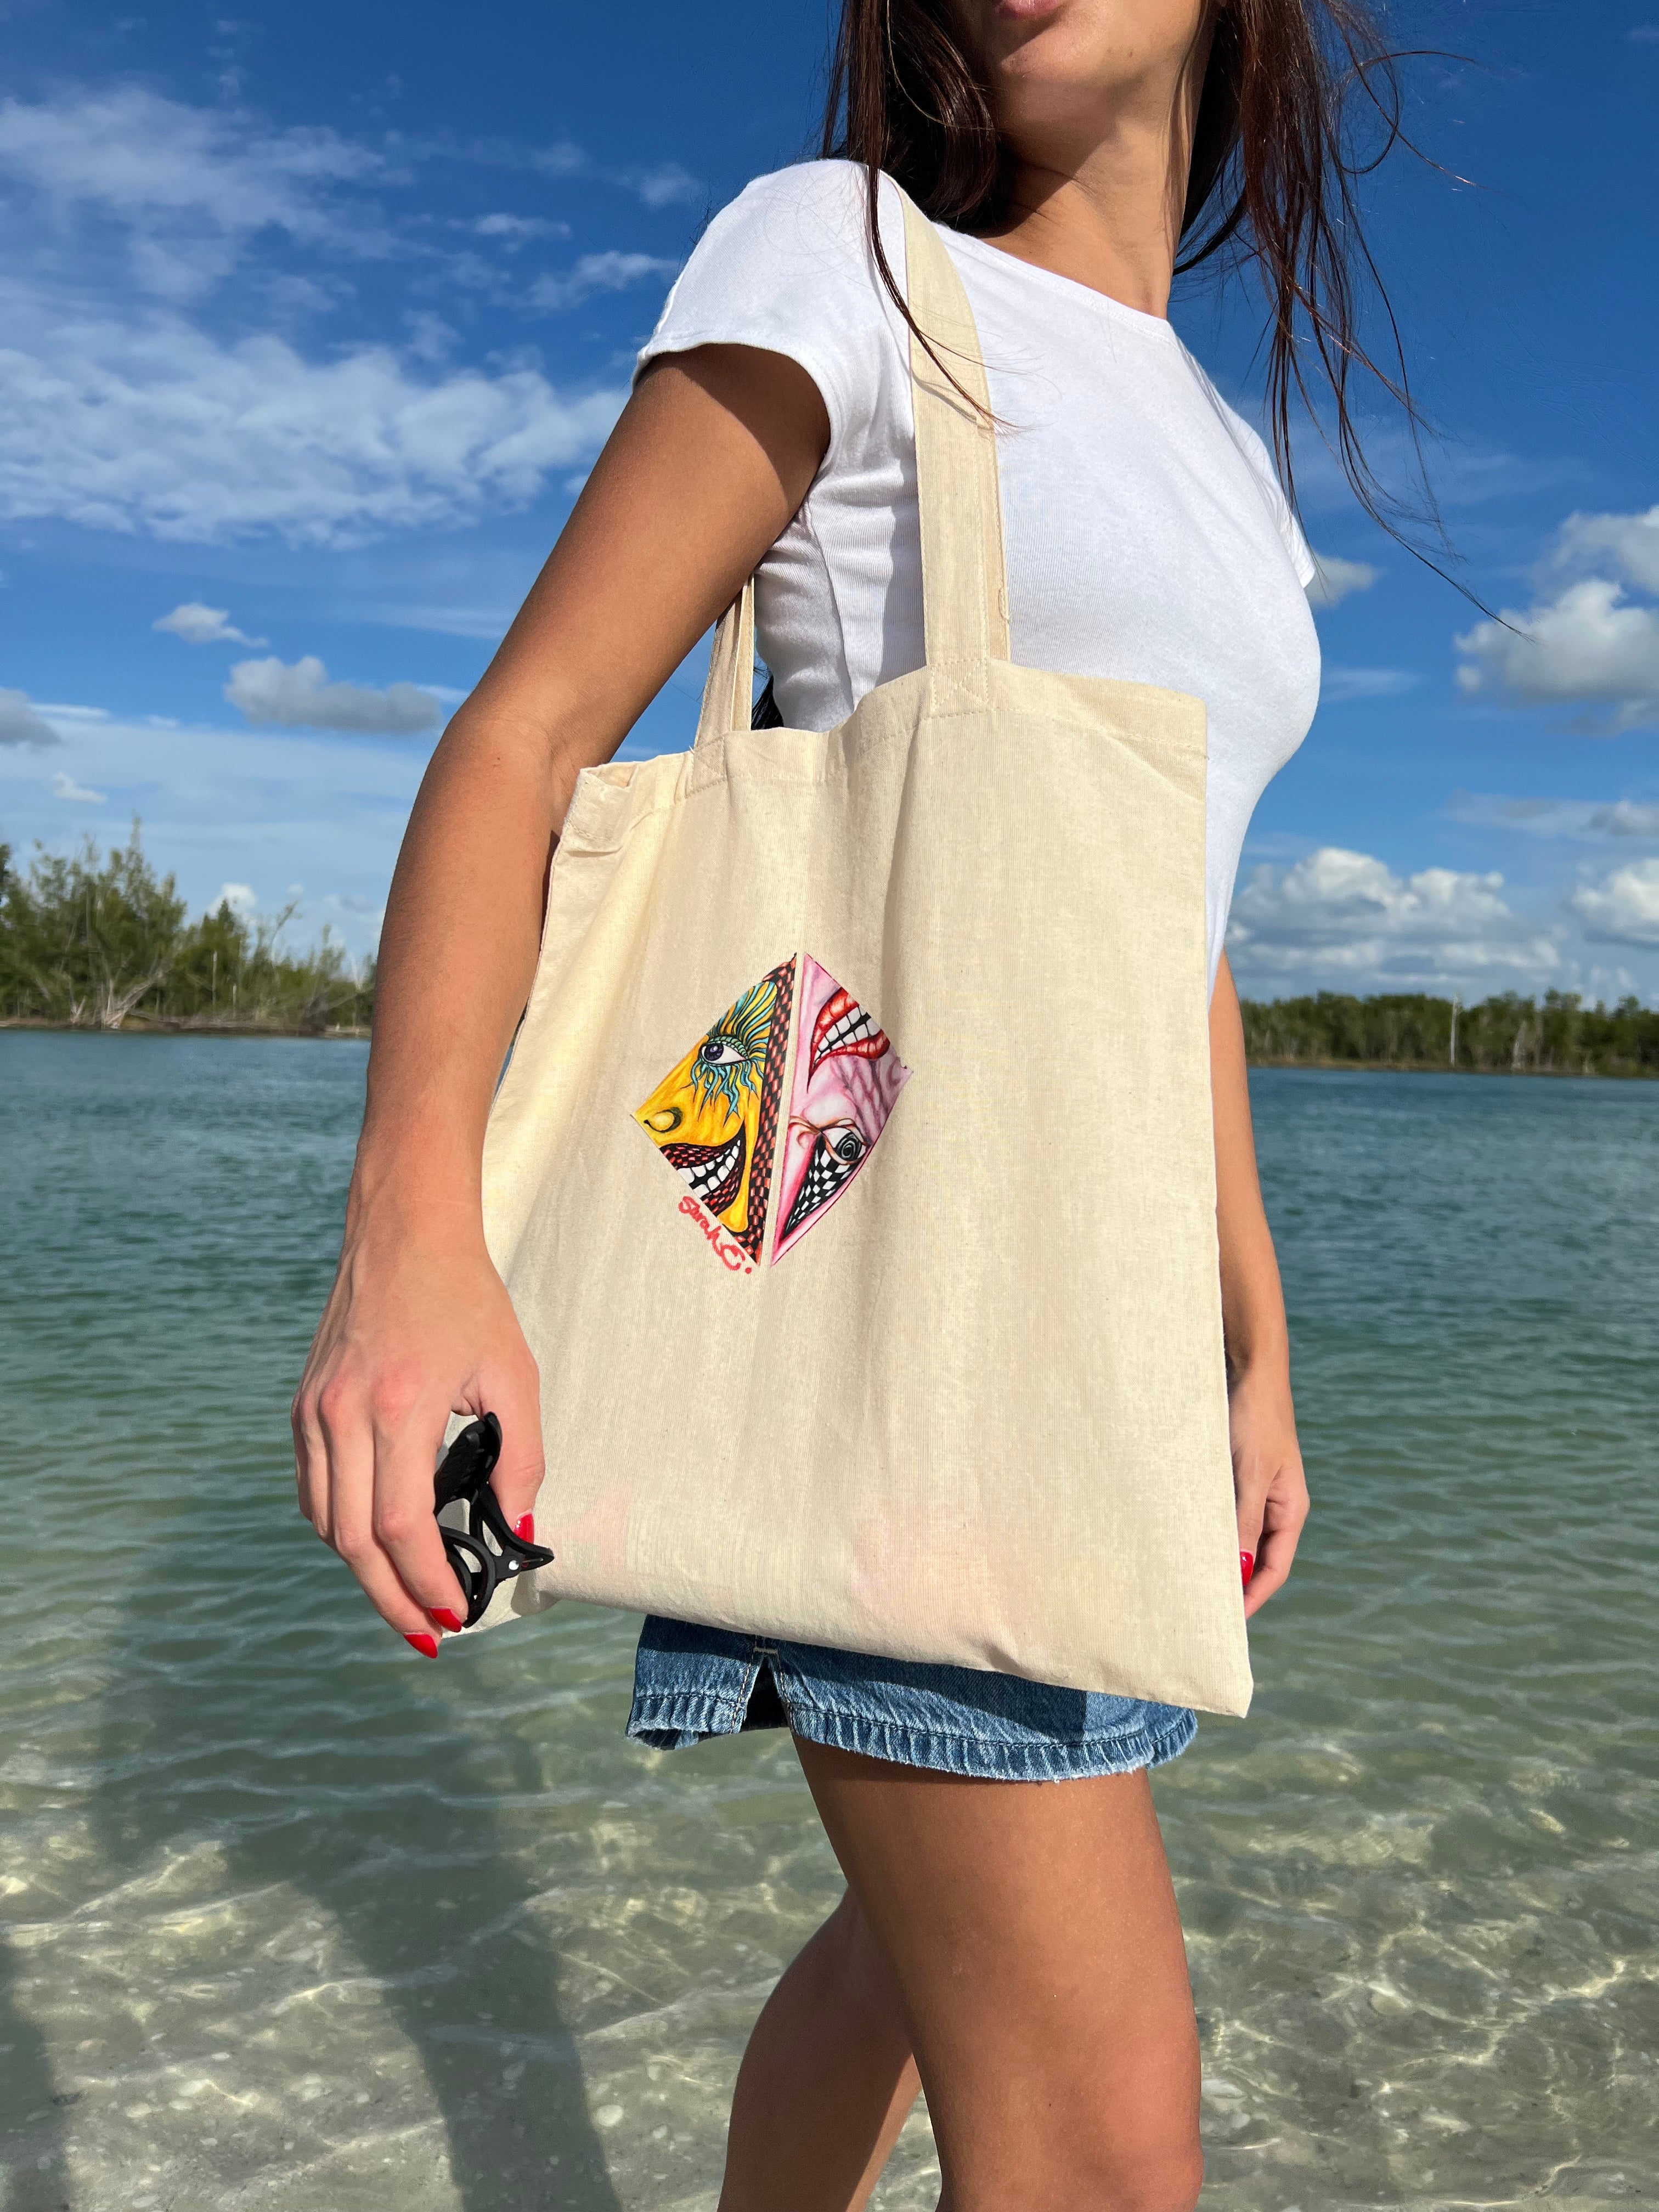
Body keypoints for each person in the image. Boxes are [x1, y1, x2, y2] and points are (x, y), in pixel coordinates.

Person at [294, 2, 1423, 2204]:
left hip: (1080, 1320)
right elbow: (525, 739)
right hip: (900, 1280)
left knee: (908, 1980)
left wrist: (1252, 1338)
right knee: (1103, 2146)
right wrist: (413, 1245)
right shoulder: (842, 257)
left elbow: (1161, 930)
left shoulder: (1221, 451)